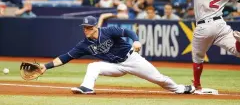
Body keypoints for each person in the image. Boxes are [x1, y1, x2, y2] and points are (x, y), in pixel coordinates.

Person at [40, 15, 195, 94]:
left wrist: (136, 41)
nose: (85, 30)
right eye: (84, 27)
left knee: (158, 79)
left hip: (132, 59)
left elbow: (128, 31)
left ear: (95, 27)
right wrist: (46, 67)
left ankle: (181, 89)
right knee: (93, 66)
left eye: (88, 27)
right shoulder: (84, 45)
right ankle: (87, 88)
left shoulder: (107, 31)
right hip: (115, 67)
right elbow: (66, 57)